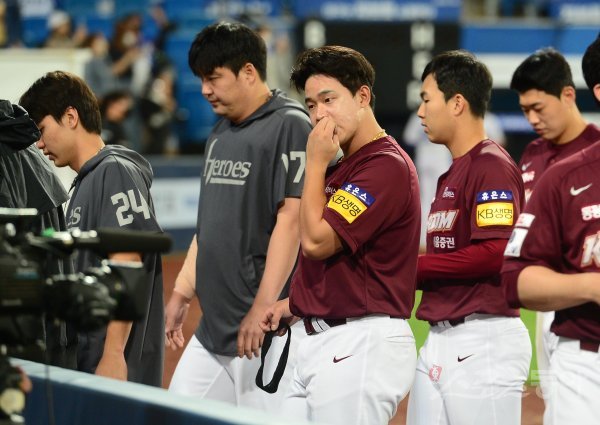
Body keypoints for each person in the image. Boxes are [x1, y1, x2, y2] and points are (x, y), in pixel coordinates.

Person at [259, 45, 420, 425]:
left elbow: (316, 242)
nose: (319, 115)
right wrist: (296, 303)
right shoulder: (347, 166)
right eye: (311, 104)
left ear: (362, 96)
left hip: (361, 343)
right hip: (325, 339)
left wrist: (315, 162)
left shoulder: (385, 166)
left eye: (329, 100)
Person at [164, 22, 311, 411]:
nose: (204, 89)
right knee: (172, 415)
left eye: (213, 78)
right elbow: (209, 226)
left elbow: (292, 222)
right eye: (201, 79)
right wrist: (182, 290)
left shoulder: (290, 124)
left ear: (248, 72)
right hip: (213, 329)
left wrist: (262, 306)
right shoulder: (220, 132)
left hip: (262, 330)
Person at [406, 50, 531, 425]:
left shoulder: (491, 166)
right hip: (441, 336)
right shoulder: (455, 172)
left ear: (457, 103)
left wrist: (413, 270)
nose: (421, 112)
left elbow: (494, 253)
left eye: (427, 99)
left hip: (483, 340)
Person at [19, 71, 164, 387]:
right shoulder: (88, 180)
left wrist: (113, 354)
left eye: (42, 130)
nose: (39, 144)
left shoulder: (114, 171)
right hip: (89, 366)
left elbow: (128, 262)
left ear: (70, 117)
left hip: (113, 371)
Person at [501, 35, 600, 425]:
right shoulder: (533, 155)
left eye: (538, 108)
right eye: (525, 110)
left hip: (577, 300)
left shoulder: (591, 149)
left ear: (568, 95)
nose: (532, 119)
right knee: (555, 398)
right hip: (557, 299)